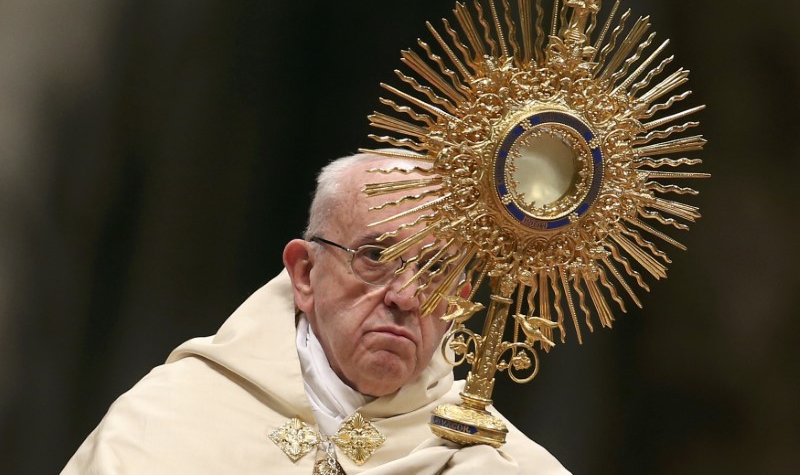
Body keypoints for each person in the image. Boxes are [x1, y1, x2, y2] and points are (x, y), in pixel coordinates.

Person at [62, 152, 570, 474]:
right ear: (305, 273)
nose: (408, 296)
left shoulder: (496, 462)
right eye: (376, 258)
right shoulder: (169, 421)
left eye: (435, 270)